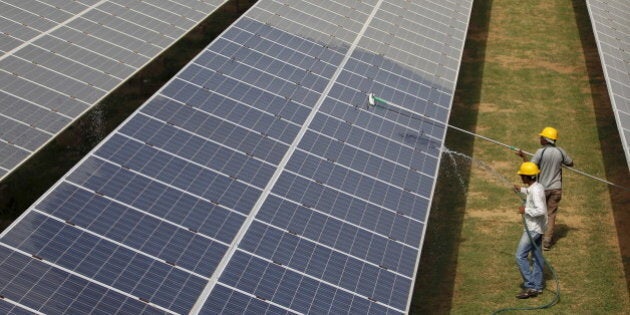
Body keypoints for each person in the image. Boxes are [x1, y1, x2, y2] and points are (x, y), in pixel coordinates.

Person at [516, 127, 573, 250]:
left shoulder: (540, 152)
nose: (540, 139)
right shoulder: (560, 152)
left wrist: (523, 156)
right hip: (556, 189)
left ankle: (537, 237)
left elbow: (530, 167)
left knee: (540, 212)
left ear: (546, 140)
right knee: (551, 214)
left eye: (541, 137)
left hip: (542, 188)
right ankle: (547, 242)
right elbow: (570, 163)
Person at [513, 162, 548, 299]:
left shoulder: (536, 191)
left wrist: (525, 210)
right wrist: (521, 189)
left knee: (520, 256)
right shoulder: (536, 186)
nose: (521, 177)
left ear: (527, 177)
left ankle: (531, 285)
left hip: (533, 229)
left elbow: (541, 210)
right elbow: (530, 192)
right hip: (538, 228)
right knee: (537, 257)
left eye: (522, 175)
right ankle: (537, 287)